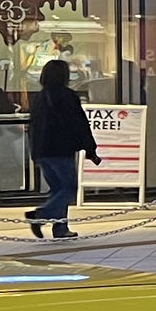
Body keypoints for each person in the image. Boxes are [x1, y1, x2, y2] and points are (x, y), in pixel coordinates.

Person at [24, 55, 101, 239]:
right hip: (61, 150)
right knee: (69, 187)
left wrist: (34, 152)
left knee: (58, 189)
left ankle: (60, 229)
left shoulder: (39, 98)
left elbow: (32, 126)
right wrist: (90, 149)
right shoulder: (67, 96)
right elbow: (79, 124)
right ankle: (40, 215)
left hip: (42, 151)